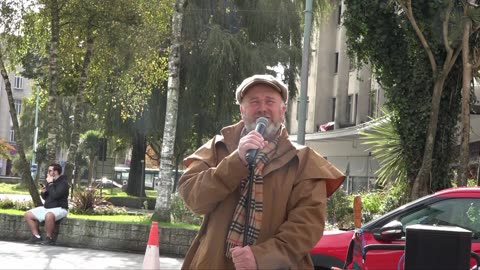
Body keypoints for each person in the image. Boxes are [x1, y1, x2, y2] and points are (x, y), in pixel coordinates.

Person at [178, 74, 345, 269]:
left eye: (270, 101)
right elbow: (194, 199)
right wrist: (236, 161)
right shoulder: (217, 148)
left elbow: (306, 227)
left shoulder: (304, 161)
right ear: (242, 110)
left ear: (282, 111)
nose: (262, 108)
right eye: (254, 101)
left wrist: (261, 257)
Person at [24, 163, 69, 245]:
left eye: (50, 171)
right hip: (47, 208)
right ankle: (36, 236)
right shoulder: (50, 182)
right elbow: (47, 197)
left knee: (49, 215)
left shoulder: (64, 183)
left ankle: (49, 238)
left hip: (60, 209)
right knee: (28, 214)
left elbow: (56, 195)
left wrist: (51, 184)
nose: (48, 172)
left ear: (56, 172)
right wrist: (44, 192)